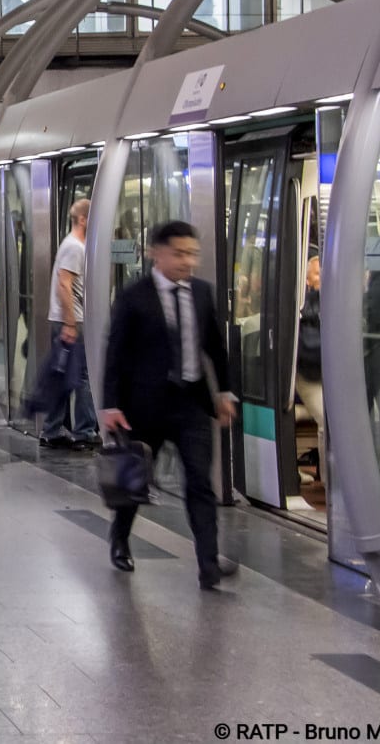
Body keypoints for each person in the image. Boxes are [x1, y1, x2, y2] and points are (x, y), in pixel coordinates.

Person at [102, 220, 238, 590]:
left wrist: (224, 393)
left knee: (200, 484)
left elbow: (214, 347)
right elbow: (114, 354)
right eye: (179, 253)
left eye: (192, 254)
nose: (187, 261)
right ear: (155, 253)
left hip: (191, 403)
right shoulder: (133, 296)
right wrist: (110, 405)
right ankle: (120, 538)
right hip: (143, 407)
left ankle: (208, 565)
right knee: (134, 482)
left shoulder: (202, 293)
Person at [42, 199, 100, 449]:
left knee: (63, 375)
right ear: (83, 220)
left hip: (70, 319)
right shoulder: (75, 247)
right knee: (85, 376)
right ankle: (84, 432)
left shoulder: (75, 245)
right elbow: (63, 284)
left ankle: (52, 430)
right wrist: (70, 323)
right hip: (73, 320)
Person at [294, 255, 325, 487]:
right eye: (317, 274)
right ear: (306, 279)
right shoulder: (303, 302)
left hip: (337, 373)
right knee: (327, 421)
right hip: (310, 373)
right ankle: (329, 479)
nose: (322, 278)